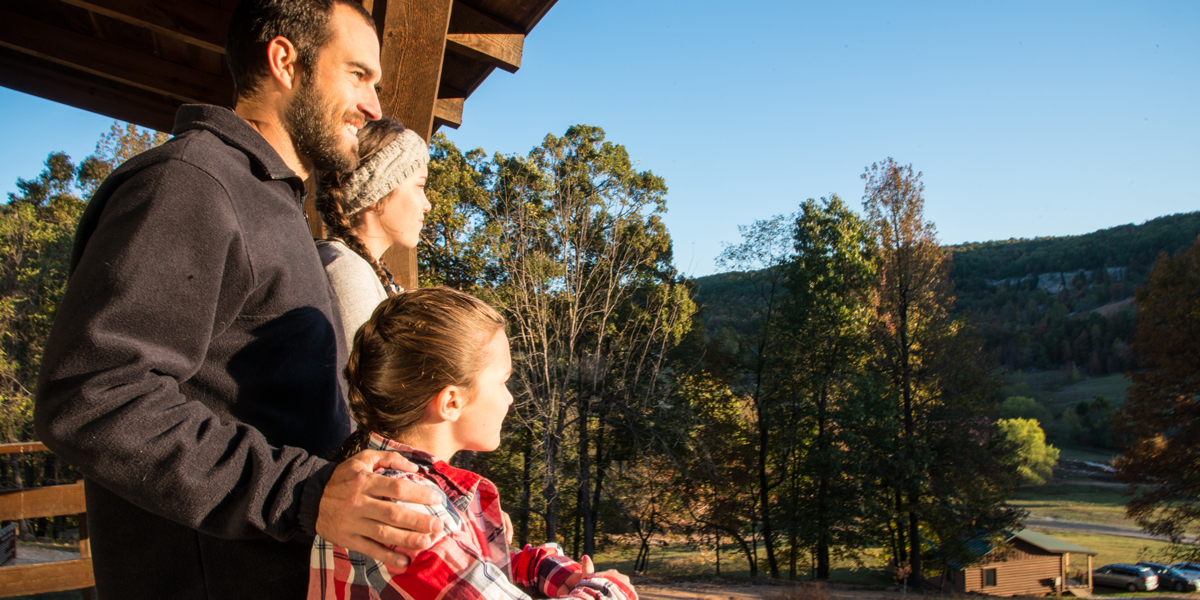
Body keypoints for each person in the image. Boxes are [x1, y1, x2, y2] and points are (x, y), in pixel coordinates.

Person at [33, 1, 442, 598]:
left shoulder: (269, 203)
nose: (374, 106)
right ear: (285, 62)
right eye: (358, 74)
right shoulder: (191, 184)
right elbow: (95, 396)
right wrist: (304, 494)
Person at [309, 287, 637, 600]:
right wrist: (607, 588)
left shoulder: (402, 492)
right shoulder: (406, 513)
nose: (510, 398)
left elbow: (478, 571)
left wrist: (544, 568)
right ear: (452, 402)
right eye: (503, 381)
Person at [315, 117, 430, 352]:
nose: (427, 204)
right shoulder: (347, 271)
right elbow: (360, 382)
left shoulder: (365, 269)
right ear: (377, 193)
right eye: (420, 186)